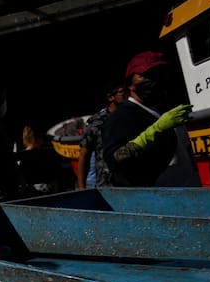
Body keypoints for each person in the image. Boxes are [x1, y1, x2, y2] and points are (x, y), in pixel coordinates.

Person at [102, 51, 200, 187]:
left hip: (188, 188)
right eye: (145, 75)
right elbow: (114, 159)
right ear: (129, 84)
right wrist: (156, 130)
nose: (153, 80)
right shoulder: (121, 116)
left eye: (157, 74)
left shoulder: (162, 109)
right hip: (156, 195)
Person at [77, 82, 126, 189]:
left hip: (129, 184)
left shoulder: (130, 118)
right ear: (110, 97)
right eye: (122, 92)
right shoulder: (96, 121)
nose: (126, 96)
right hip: (105, 185)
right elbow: (83, 155)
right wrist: (81, 188)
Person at [16, 123, 74, 197]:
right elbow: (55, 174)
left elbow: (22, 178)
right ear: (39, 138)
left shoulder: (21, 157)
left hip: (31, 193)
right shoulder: (47, 154)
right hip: (47, 192)